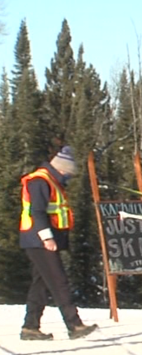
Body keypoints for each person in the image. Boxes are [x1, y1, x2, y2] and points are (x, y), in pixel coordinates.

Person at [19, 146, 98, 341]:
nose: (68, 178)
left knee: (41, 284)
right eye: (68, 174)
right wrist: (47, 238)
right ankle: (74, 325)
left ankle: (30, 327)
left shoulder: (51, 181)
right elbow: (36, 212)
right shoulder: (39, 181)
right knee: (58, 281)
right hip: (39, 240)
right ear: (61, 169)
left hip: (43, 240)